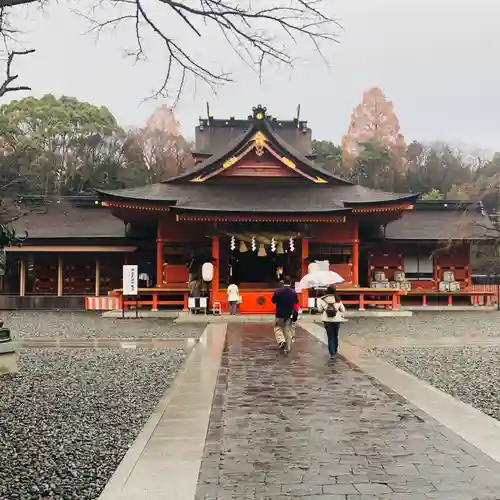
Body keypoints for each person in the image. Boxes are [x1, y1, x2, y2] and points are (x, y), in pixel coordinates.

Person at [271, 276, 298, 353]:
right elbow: (296, 302)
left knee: (278, 328)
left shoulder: (278, 291)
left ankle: (281, 340)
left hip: (279, 313)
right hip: (289, 314)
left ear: (283, 282)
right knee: (287, 330)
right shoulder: (293, 292)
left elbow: (273, 301)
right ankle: (288, 347)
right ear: (290, 283)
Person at [317, 285, 345, 357]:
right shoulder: (338, 299)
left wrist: (325, 308)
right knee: (335, 335)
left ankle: (332, 352)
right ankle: (335, 350)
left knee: (330, 336)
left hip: (327, 320)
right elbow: (343, 310)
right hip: (337, 320)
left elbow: (319, 309)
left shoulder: (322, 299)